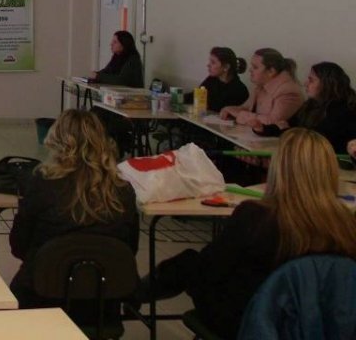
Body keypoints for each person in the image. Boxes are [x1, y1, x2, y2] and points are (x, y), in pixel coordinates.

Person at [144, 128, 356, 339]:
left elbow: (210, 270)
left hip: (250, 322)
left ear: (279, 169)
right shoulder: (346, 224)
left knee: (191, 263)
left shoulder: (255, 217)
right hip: (320, 327)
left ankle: (130, 295)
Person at [9, 109, 138, 312]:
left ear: (56, 141)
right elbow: (131, 248)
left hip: (42, 294)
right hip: (104, 299)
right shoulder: (123, 190)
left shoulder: (41, 184)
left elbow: (19, 246)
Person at [253, 62, 356, 153]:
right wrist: (264, 129)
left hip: (334, 163)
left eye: (311, 80)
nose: (305, 83)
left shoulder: (343, 108)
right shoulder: (311, 104)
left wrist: (286, 131)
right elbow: (291, 126)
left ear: (326, 84)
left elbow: (313, 136)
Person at [220, 48, 304, 126]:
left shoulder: (289, 92)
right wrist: (228, 109)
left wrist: (240, 114)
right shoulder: (261, 85)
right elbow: (246, 108)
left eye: (255, 67)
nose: (250, 70)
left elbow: (273, 122)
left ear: (271, 71)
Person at [185, 47, 249, 113]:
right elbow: (194, 96)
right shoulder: (211, 79)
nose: (208, 65)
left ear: (226, 67)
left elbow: (224, 112)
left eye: (213, 62)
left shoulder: (240, 90)